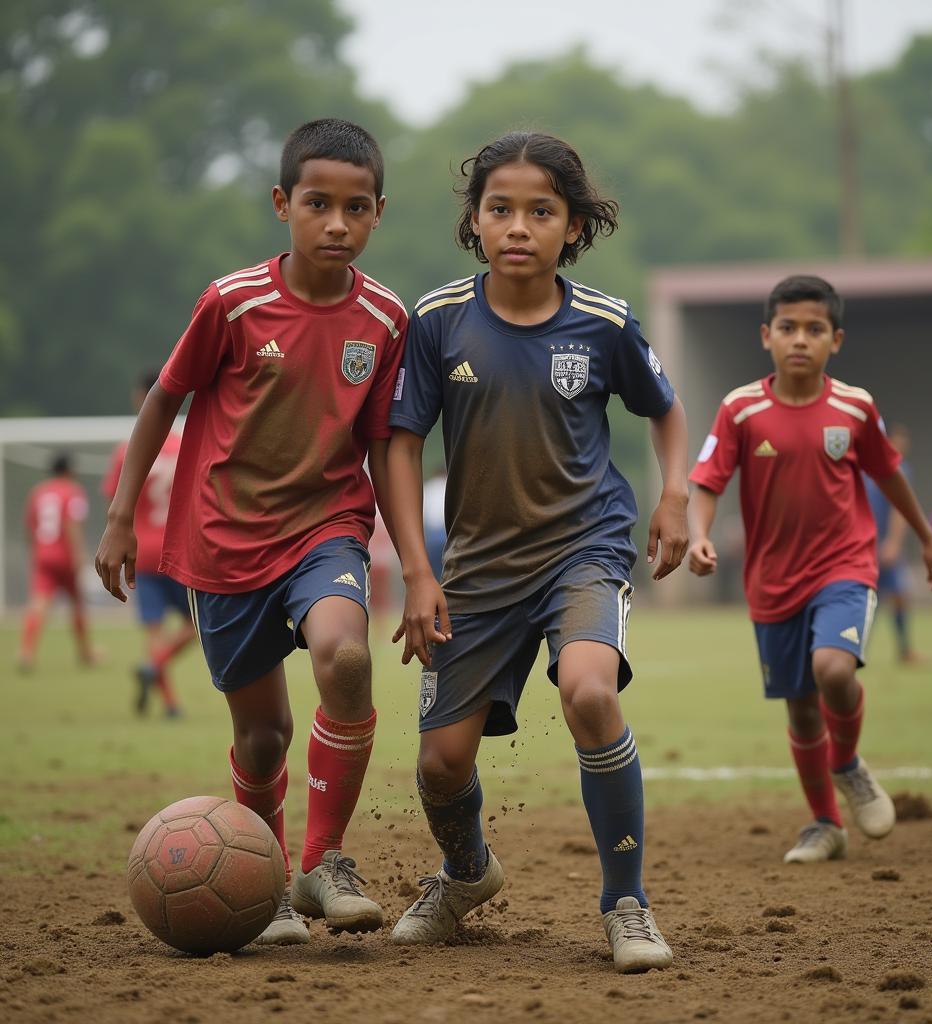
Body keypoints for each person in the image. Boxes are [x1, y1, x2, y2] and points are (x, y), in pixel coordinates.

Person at [95, 118, 407, 946]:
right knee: (262, 737)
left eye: (356, 207)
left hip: (328, 526)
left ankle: (323, 862)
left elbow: (382, 444)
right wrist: (122, 516)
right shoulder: (232, 301)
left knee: (345, 654)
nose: (336, 223)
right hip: (224, 543)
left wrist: (413, 561)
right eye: (317, 204)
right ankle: (261, 882)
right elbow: (164, 399)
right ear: (282, 204)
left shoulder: (385, 316)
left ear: (379, 212)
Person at [387, 132, 689, 973]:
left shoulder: (604, 321)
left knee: (589, 691)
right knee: (441, 765)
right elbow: (402, 443)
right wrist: (418, 570)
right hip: (476, 570)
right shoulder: (437, 319)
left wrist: (674, 494)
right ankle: (465, 874)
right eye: (501, 208)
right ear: (475, 221)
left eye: (541, 211)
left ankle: (625, 903)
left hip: (583, 549)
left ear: (574, 227)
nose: (519, 225)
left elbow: (664, 409)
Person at [688, 274, 932, 865]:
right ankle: (825, 824)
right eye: (787, 328)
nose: (799, 340)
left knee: (833, 669)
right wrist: (700, 535)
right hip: (772, 581)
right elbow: (706, 481)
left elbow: (890, 477)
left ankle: (847, 765)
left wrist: (929, 542)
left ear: (836, 339)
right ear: (766, 336)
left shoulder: (855, 407)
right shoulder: (740, 408)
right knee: (802, 706)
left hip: (844, 565)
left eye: (813, 329)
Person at [103, 370, 194, 717]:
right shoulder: (185, 444)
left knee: (153, 629)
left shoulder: (127, 451)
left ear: (142, 397)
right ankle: (157, 669)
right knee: (195, 626)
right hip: (176, 549)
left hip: (139, 552)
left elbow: (115, 503)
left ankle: (166, 695)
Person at [19, 453, 100, 671]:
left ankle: (26, 653)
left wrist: (35, 553)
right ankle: (86, 653)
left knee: (38, 604)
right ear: (68, 470)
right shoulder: (72, 491)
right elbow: (71, 524)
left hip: (43, 554)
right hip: (64, 556)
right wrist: (79, 555)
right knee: (77, 605)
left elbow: (30, 527)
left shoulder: (38, 492)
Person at [863, 424, 925, 664]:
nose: (901, 446)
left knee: (897, 594)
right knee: (869, 597)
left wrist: (893, 543)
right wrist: (894, 543)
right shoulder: (877, 465)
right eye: (897, 441)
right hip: (870, 545)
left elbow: (899, 511)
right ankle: (854, 648)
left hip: (881, 546)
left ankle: (904, 650)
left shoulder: (895, 466)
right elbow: (899, 510)